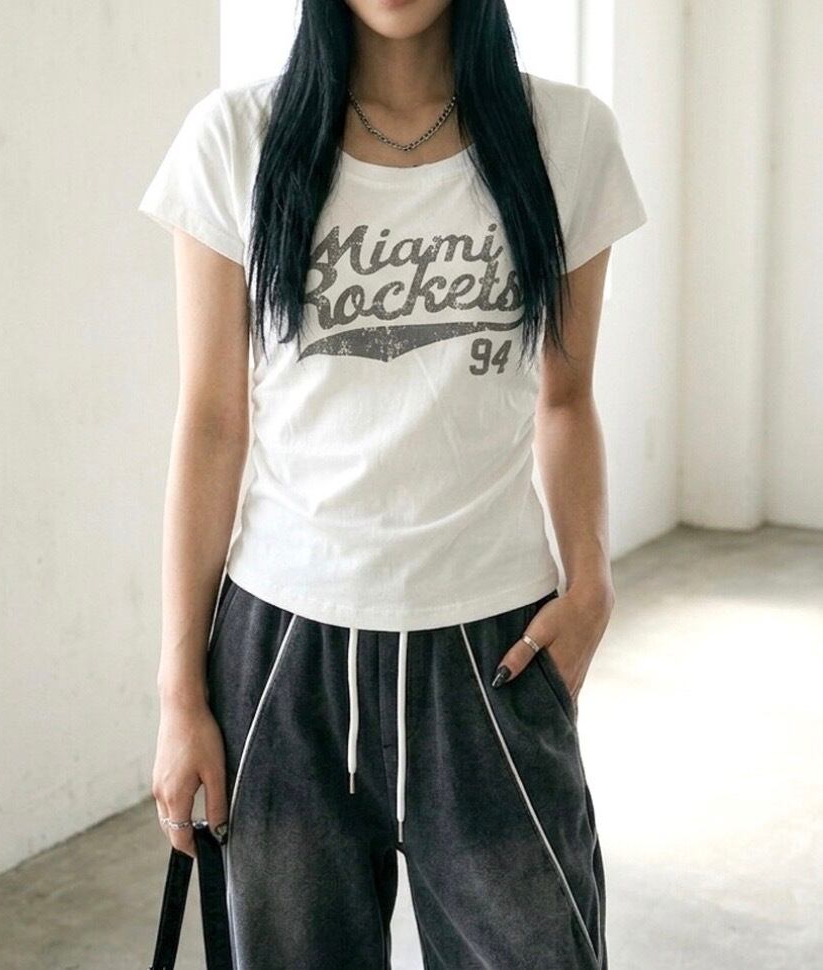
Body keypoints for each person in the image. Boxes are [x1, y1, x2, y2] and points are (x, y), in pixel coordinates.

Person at [137, 1, 647, 967]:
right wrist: (180, 695)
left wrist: (591, 587)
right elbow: (211, 424)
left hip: (493, 649)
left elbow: (566, 398)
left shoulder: (567, 136)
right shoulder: (235, 138)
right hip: (284, 658)